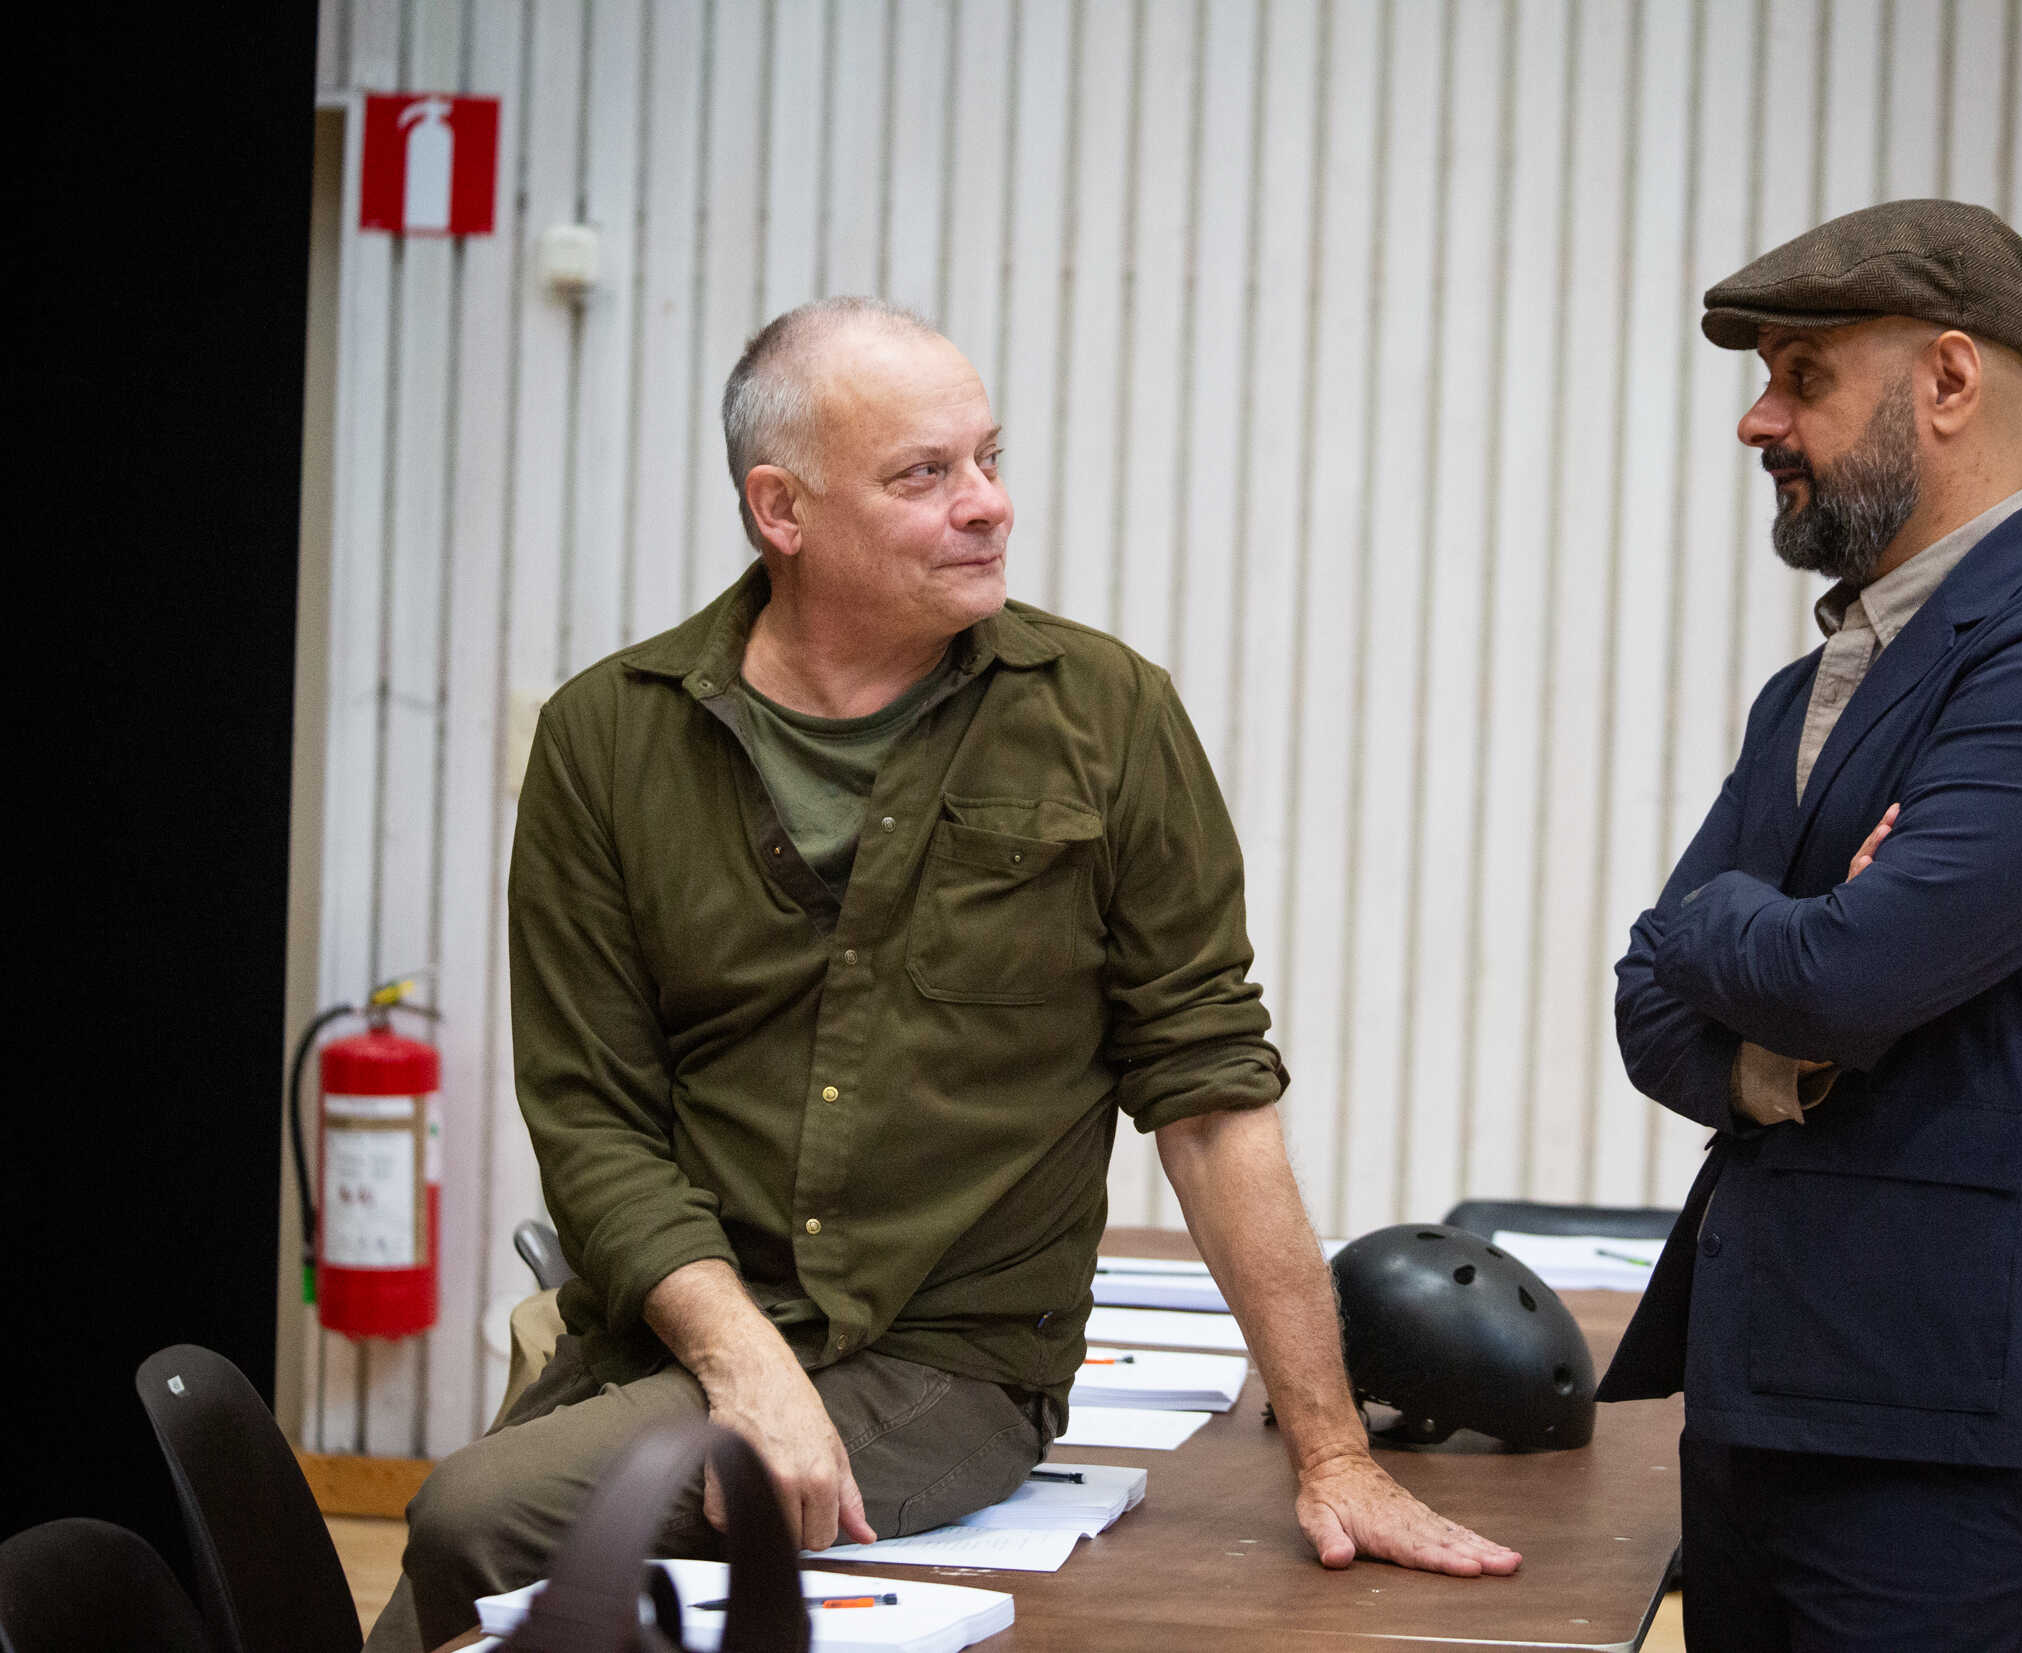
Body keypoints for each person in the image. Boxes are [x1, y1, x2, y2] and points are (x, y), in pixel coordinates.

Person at [365, 297, 1518, 1652]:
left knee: (471, 1517)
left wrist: (1334, 1451)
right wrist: (747, 1366)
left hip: (947, 1365)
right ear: (780, 509)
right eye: (926, 475)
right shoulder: (607, 741)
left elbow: (1209, 1097)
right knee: (479, 1549)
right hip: (684, 1334)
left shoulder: (1106, 717)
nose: (990, 506)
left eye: (990, 457)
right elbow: (593, 1118)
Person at [1599, 200, 2022, 1649]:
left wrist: (1746, 929)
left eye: (1802, 376)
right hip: (1766, 1392)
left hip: (1948, 1429)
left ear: (1948, 382)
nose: (1759, 421)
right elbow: (1648, 989)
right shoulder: (1815, 687)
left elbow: (1845, 970)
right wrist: (1778, 1044)